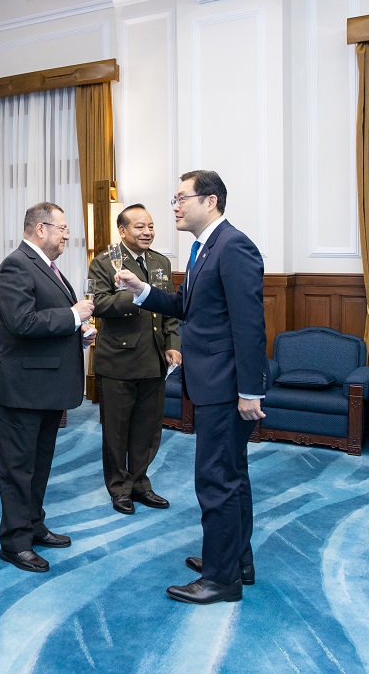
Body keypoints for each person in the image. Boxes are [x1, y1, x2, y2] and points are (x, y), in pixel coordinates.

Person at [116, 170, 267, 605]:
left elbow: (249, 325)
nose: (175, 206)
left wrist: (250, 391)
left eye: (182, 198)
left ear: (210, 201)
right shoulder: (204, 248)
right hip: (213, 383)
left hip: (226, 386)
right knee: (231, 476)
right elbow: (186, 306)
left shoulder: (233, 246)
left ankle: (221, 579)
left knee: (216, 480)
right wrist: (143, 290)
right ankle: (235, 560)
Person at [0, 202, 96, 573]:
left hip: (45, 387)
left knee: (38, 465)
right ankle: (14, 542)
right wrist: (73, 315)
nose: (67, 235)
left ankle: (33, 525)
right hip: (22, 389)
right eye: (62, 228)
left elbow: (45, 323)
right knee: (18, 469)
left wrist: (77, 333)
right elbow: (22, 322)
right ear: (40, 229)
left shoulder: (48, 267)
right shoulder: (15, 265)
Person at [88, 204, 181, 515]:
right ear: (123, 230)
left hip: (154, 359)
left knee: (147, 429)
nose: (147, 232)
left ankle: (140, 482)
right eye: (140, 227)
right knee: (116, 431)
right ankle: (119, 488)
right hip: (119, 360)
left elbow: (169, 308)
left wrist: (172, 343)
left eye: (151, 226)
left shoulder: (160, 262)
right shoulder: (105, 261)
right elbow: (98, 304)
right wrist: (138, 292)